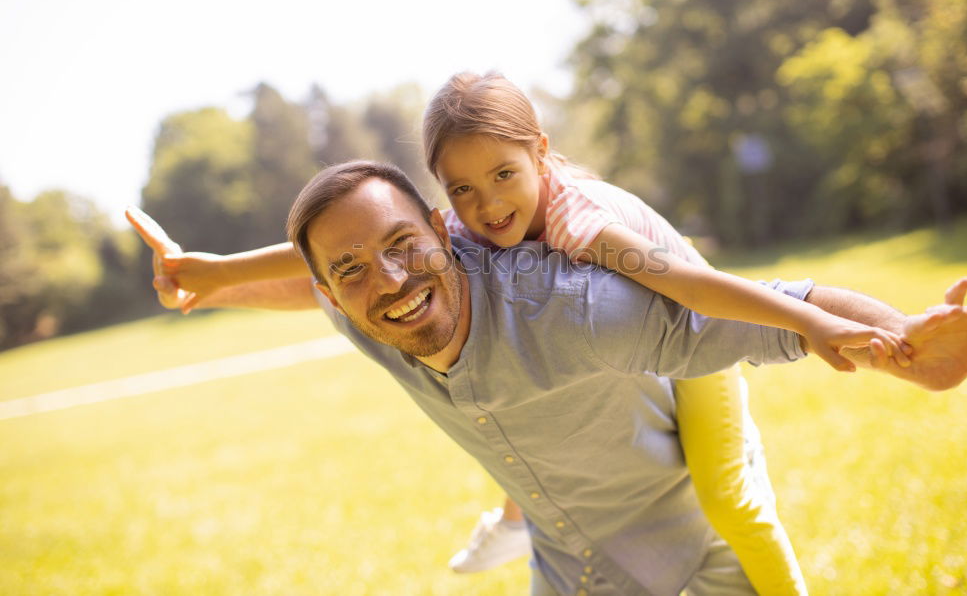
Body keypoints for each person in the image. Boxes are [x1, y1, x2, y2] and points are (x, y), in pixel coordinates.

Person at [138, 72, 913, 593]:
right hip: (579, 515)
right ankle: (519, 512)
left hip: (693, 327)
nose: (487, 204)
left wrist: (836, 326)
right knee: (497, 374)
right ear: (446, 204)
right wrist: (211, 276)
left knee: (728, 493)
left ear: (540, 154)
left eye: (505, 176)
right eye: (466, 191)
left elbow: (695, 293)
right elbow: (336, 252)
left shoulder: (583, 232)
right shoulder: (452, 245)